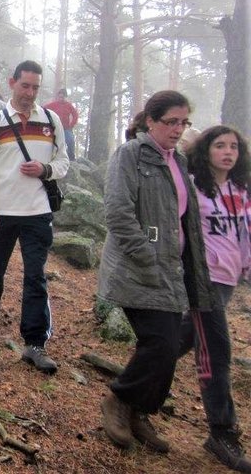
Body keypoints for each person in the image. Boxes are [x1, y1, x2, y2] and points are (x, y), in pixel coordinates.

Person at [98, 90, 213, 452]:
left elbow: (186, 220)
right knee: (162, 343)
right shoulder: (130, 154)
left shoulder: (177, 162)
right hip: (137, 269)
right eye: (171, 122)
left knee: (168, 345)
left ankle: (139, 411)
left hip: (170, 271)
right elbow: (117, 211)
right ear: (150, 121)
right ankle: (119, 398)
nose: (178, 129)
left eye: (184, 122)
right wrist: (146, 255)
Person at [0, 60, 69, 374]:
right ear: (12, 82)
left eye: (35, 87)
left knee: (35, 276)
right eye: (25, 85)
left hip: (37, 212)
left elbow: (64, 160)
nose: (30, 93)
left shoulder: (51, 120)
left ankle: (35, 342)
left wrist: (46, 169)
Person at [182, 125, 251, 472]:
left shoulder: (241, 189)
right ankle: (222, 432)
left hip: (228, 279)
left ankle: (131, 391)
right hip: (203, 279)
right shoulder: (193, 186)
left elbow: (246, 232)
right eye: (220, 145)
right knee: (217, 352)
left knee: (176, 341)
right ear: (206, 150)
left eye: (234, 147)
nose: (228, 152)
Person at [43, 88, 79, 161]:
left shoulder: (69, 105)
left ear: (65, 97)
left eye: (63, 97)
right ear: (57, 97)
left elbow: (75, 115)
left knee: (71, 141)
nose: (61, 99)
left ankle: (71, 159)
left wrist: (71, 125)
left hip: (65, 129)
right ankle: (48, 157)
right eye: (59, 97)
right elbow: (43, 110)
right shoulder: (53, 104)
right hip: (53, 128)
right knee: (48, 142)